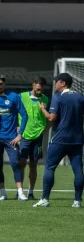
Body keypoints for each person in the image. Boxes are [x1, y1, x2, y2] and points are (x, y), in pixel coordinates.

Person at [34, 73, 84, 208]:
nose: (55, 84)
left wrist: (43, 109)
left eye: (56, 81)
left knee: (50, 167)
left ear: (63, 83)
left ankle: (44, 199)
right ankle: (77, 201)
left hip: (60, 140)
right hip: (77, 140)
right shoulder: (80, 97)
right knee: (78, 170)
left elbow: (51, 118)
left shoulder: (58, 97)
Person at [0, 74, 28, 201]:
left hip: (12, 138)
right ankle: (3, 193)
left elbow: (24, 115)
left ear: (4, 84)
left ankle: (20, 193)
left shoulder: (14, 97)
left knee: (15, 163)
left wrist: (20, 135)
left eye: (1, 84)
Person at [19, 77, 48, 200]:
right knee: (21, 164)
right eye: (38, 88)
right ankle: (19, 191)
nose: (40, 91)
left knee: (33, 164)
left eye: (41, 89)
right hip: (24, 135)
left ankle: (30, 192)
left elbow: (46, 116)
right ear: (33, 85)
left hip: (38, 137)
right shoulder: (22, 96)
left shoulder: (45, 99)